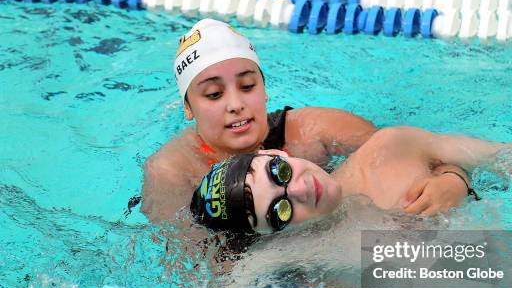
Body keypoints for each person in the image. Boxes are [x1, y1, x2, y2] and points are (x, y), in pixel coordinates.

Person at [141, 19, 472, 223]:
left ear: (265, 89)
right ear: (188, 107)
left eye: (247, 86)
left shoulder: (313, 130)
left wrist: (454, 182)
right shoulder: (173, 171)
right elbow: (190, 268)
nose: (236, 105)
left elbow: (416, 155)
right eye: (213, 94)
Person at [191, 126, 508, 234]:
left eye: (280, 172)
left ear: (276, 152)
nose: (301, 189)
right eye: (280, 212)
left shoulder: (392, 147)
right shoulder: (303, 253)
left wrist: (457, 183)